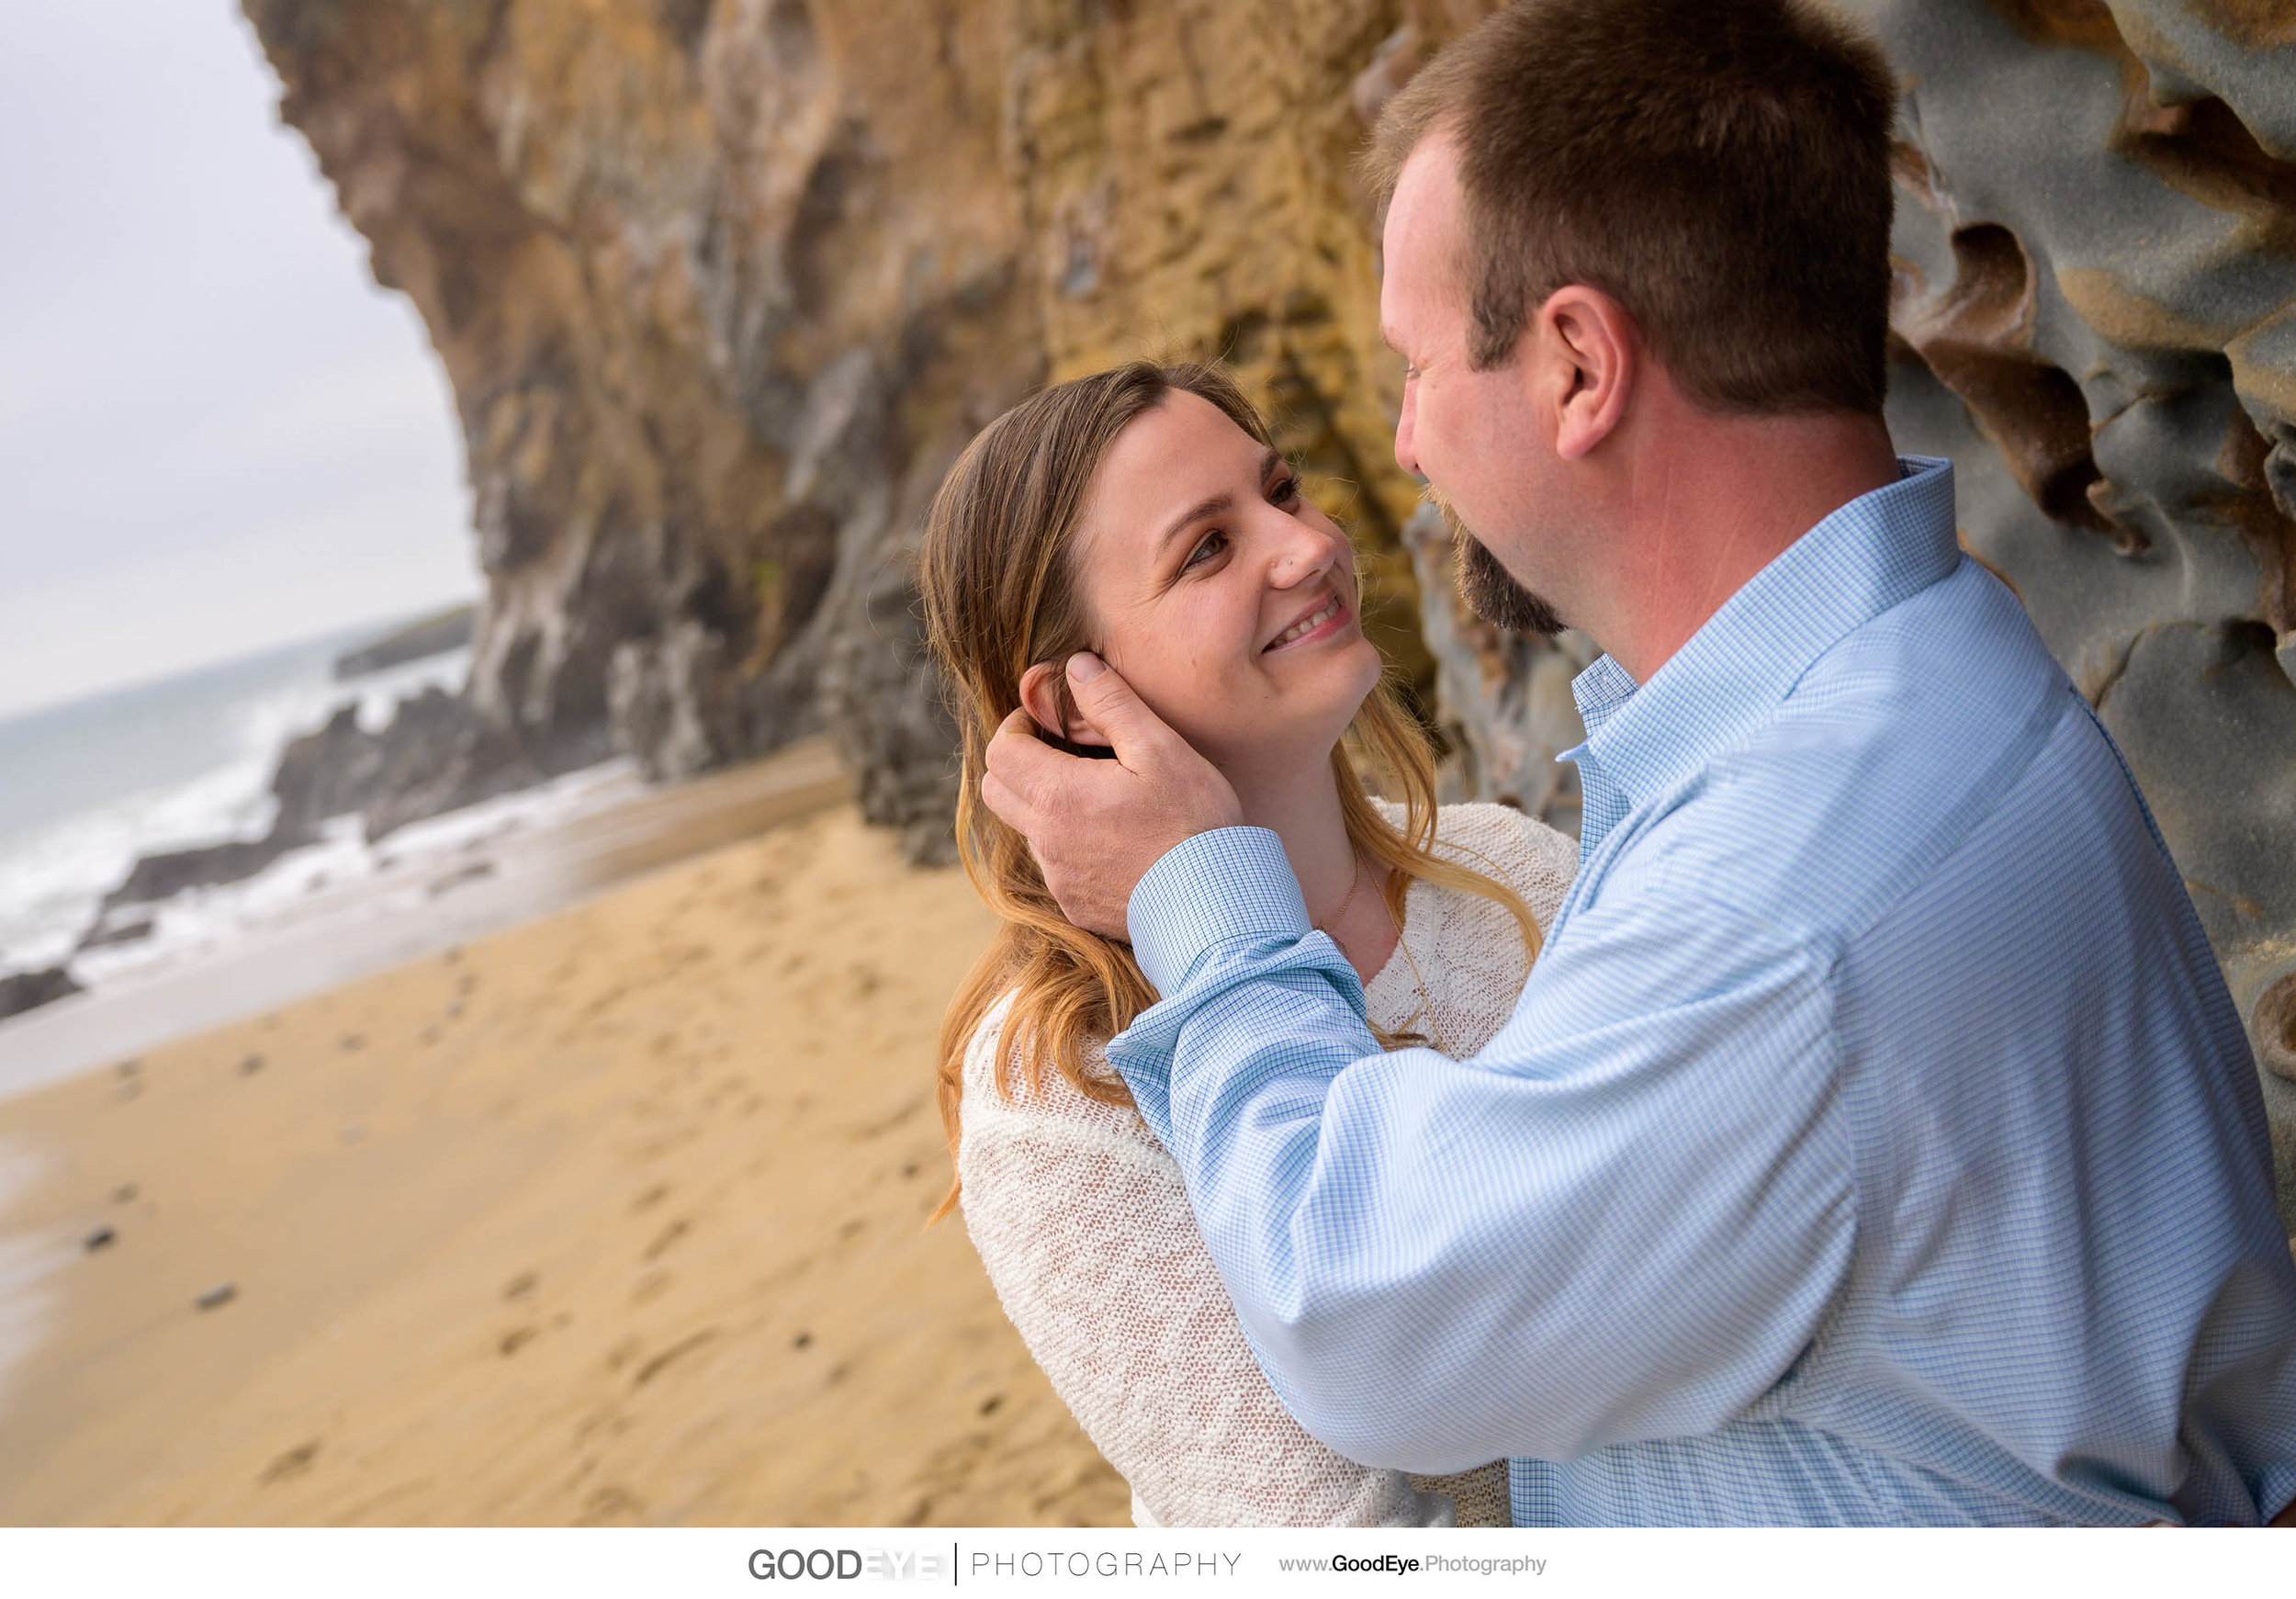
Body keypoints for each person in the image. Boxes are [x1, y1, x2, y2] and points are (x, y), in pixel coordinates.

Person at [978, 0, 2296, 1526]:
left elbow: (1366, 1312)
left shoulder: (1771, 920)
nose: (1399, 449)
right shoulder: (1931, 659)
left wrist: (1202, 904)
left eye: (1419, 366)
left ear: (1577, 369)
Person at [918, 360, 1581, 1525]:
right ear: (1076, 705)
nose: (1305, 544)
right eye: (1207, 550)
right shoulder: (1062, 1094)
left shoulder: (1510, 873)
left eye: (1281, 489)